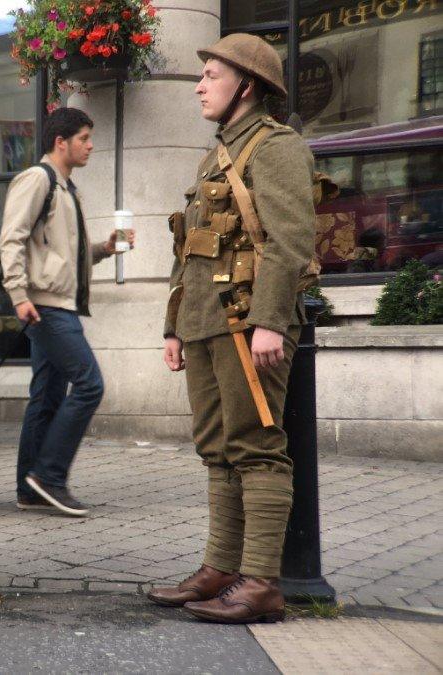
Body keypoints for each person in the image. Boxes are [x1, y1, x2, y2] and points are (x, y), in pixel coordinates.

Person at [147, 34, 317, 624]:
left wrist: (271, 319)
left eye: (212, 75)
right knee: (217, 450)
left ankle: (261, 581)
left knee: (257, 449)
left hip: (250, 323)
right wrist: (174, 326)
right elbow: (187, 248)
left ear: (247, 86)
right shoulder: (215, 154)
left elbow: (291, 240)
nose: (199, 85)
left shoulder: (276, 147)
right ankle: (221, 567)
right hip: (206, 324)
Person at [0, 107, 134, 517]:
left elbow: (60, 256)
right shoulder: (37, 180)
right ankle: (50, 476)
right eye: (84, 138)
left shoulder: (65, 188)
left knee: (47, 394)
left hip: (55, 302)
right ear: (62, 142)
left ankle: (30, 487)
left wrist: (103, 250)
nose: (91, 146)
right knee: (89, 384)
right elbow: (12, 238)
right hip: (44, 306)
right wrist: (18, 294)